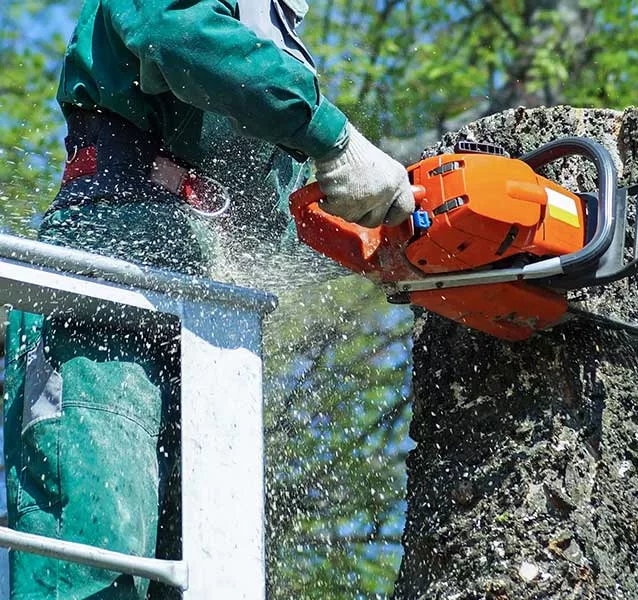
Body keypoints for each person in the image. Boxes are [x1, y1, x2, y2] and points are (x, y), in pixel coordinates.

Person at [3, 0, 415, 598]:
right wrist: (331, 136)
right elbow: (176, 32)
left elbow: (270, 225)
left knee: (208, 569)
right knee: (97, 544)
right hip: (105, 285)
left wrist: (380, 241)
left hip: (209, 324)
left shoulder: (275, 37)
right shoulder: (239, 45)